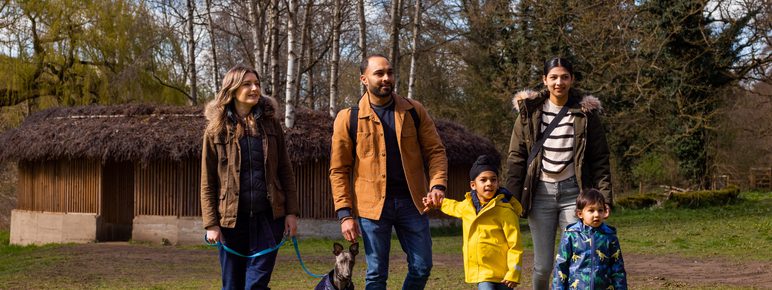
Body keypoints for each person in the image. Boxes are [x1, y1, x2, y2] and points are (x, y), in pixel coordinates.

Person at [329, 54, 448, 290]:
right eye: (379, 73)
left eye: (390, 73)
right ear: (364, 79)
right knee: (375, 275)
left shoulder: (414, 111)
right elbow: (339, 169)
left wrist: (437, 185)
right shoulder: (348, 118)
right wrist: (345, 214)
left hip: (413, 203)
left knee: (422, 266)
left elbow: (436, 151)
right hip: (371, 207)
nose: (386, 78)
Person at [505, 57, 612, 290]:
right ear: (545, 80)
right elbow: (516, 158)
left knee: (576, 260)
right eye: (553, 77)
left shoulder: (585, 114)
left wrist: (604, 199)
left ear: (572, 80)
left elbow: (600, 158)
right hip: (540, 194)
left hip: (574, 194)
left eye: (564, 77)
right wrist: (510, 199)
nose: (559, 82)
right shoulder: (529, 112)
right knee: (543, 266)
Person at [200, 64, 299, 290]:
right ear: (232, 89)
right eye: (247, 84)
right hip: (230, 223)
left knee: (256, 284)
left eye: (257, 84)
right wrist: (211, 224)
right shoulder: (215, 129)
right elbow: (208, 182)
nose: (255, 88)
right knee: (232, 285)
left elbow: (285, 170)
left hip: (268, 219)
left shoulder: (271, 124)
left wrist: (291, 213)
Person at [424, 155, 523, 290]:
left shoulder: (505, 211)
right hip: (483, 274)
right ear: (473, 185)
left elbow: (515, 245)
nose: (489, 183)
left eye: (493, 180)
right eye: (483, 180)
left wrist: (514, 272)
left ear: (498, 183)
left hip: (504, 275)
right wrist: (436, 202)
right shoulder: (467, 207)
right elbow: (453, 206)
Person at [553, 189, 627, 289]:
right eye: (591, 210)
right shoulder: (571, 235)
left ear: (605, 212)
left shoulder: (610, 236)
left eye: (600, 210)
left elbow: (617, 268)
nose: (596, 214)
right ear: (580, 214)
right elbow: (561, 266)